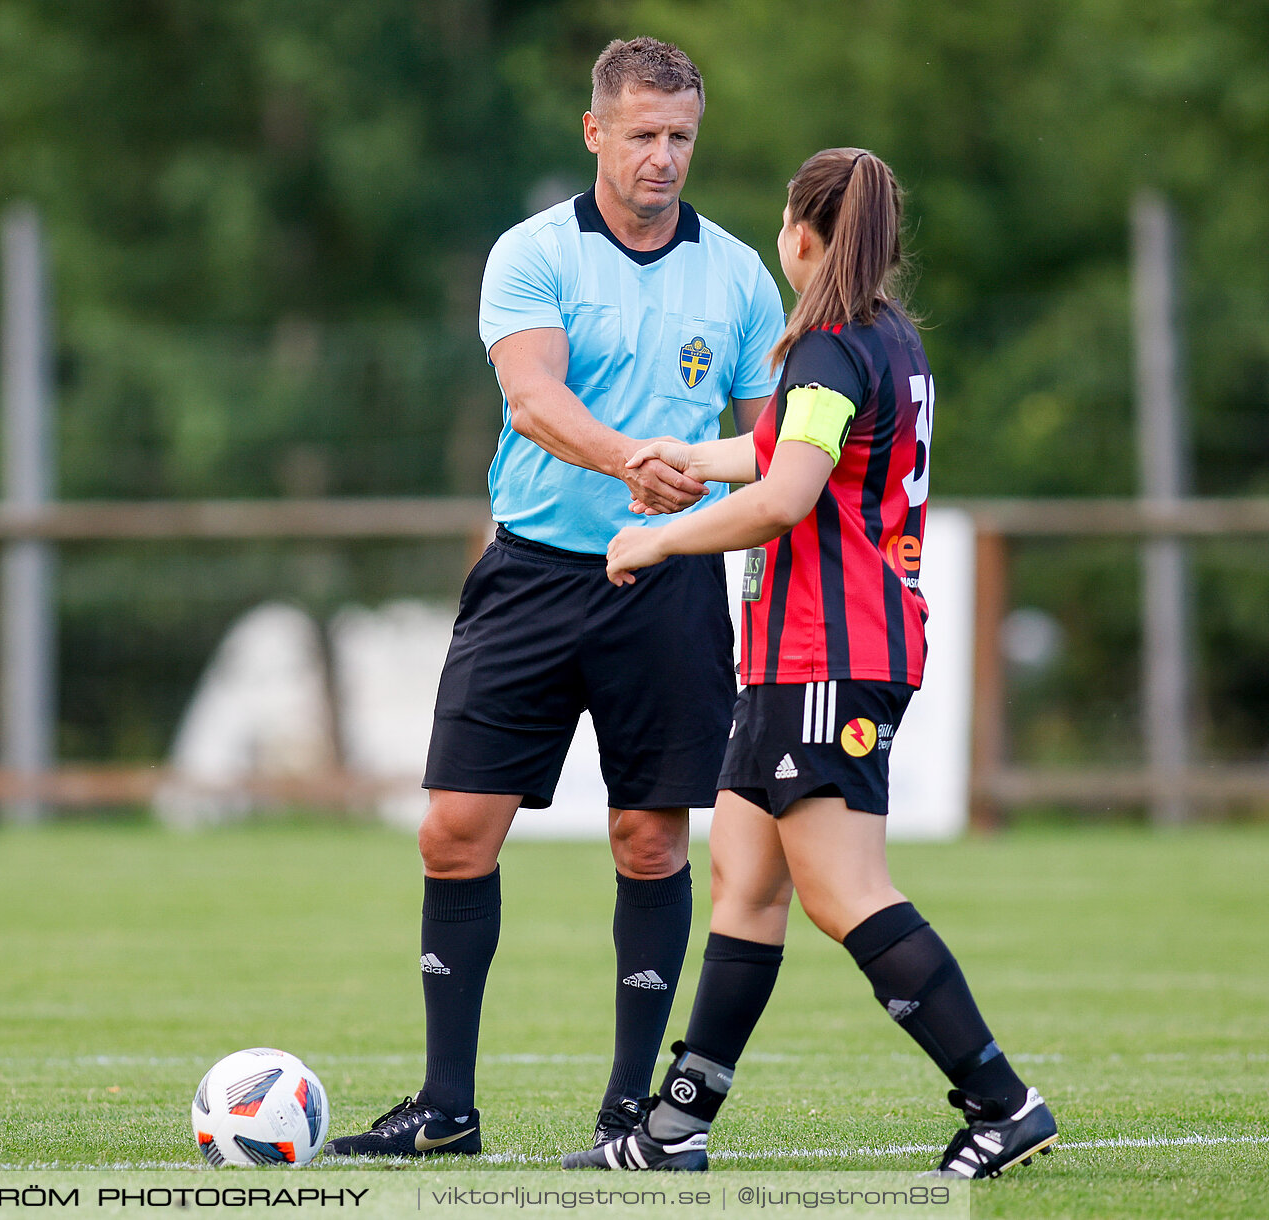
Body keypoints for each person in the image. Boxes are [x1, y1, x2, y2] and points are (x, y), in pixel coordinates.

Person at [324, 37, 784, 1158]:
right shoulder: (532, 254)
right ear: (595, 133)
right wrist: (638, 457)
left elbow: (774, 440)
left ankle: (632, 1110)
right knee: (453, 829)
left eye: (680, 136)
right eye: (641, 135)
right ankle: (446, 1107)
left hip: (668, 582)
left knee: (647, 839)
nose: (663, 157)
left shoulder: (736, 275)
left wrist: (700, 511)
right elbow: (531, 400)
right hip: (531, 572)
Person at [562, 149, 1058, 1178]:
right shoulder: (884, 337)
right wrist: (687, 455)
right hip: (795, 659)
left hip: (827, 654)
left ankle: (1002, 1100)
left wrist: (659, 536)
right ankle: (676, 1128)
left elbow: (788, 495)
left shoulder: (830, 346)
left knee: (844, 891)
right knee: (745, 882)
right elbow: (785, 455)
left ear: (802, 231)